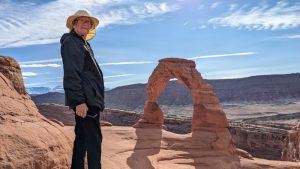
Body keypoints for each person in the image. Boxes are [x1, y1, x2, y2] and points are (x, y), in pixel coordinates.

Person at [60, 10, 104, 169]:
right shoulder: (72, 42)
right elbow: (72, 73)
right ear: (74, 24)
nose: (86, 25)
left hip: (88, 99)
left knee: (83, 139)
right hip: (86, 100)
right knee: (93, 140)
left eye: (89, 23)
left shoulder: (82, 43)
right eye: (83, 21)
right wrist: (79, 101)